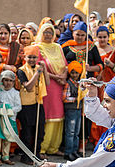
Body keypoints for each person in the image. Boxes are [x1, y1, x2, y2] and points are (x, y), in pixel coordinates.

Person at [36, 23, 67, 157]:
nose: (48, 35)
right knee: (49, 116)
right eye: (45, 32)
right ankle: (43, 148)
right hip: (48, 85)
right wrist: (57, 77)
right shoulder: (38, 48)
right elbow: (40, 68)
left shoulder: (58, 47)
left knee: (59, 115)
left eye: (50, 32)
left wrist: (63, 77)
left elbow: (65, 66)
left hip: (60, 85)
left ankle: (54, 148)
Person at [16, 45, 50, 164]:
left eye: (34, 57)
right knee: (27, 131)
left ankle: (36, 153)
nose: (32, 60)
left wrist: (44, 70)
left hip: (38, 103)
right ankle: (26, 156)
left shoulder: (39, 68)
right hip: (26, 104)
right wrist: (37, 73)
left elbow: (48, 82)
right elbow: (29, 87)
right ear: (25, 57)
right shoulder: (21, 70)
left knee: (40, 130)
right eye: (29, 57)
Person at [0, 70, 21, 165]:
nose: (8, 83)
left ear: (13, 82)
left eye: (10, 81)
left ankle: (6, 156)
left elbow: (19, 106)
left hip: (10, 119)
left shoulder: (15, 93)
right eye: (6, 80)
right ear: (2, 81)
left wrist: (9, 110)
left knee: (7, 139)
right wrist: (1, 109)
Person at [62, 61, 83, 161]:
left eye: (76, 73)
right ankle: (68, 152)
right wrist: (75, 99)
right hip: (71, 110)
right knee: (70, 132)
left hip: (78, 109)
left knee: (76, 132)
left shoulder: (80, 83)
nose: (75, 75)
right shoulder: (68, 84)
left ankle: (74, 150)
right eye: (73, 72)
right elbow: (65, 98)